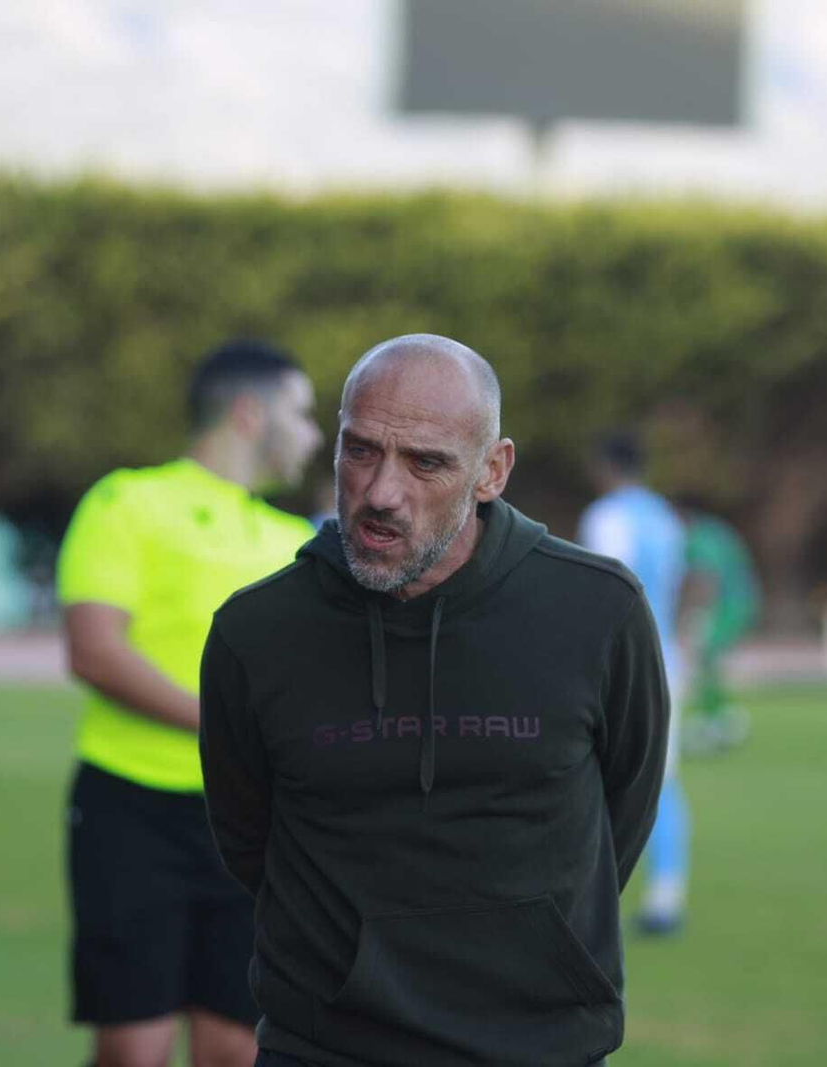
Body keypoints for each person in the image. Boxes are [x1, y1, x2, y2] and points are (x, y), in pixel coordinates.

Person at [200, 335, 670, 1067]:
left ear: (493, 470)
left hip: (541, 1050)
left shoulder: (597, 611)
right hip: (323, 1049)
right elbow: (247, 837)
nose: (383, 492)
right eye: (360, 451)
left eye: (426, 462)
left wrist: (538, 939)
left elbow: (623, 814)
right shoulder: (256, 632)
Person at [57, 340, 322, 1067]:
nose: (315, 434)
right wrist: (228, 729)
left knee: (238, 1048)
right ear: (249, 413)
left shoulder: (296, 541)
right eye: (301, 412)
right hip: (131, 809)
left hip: (251, 825)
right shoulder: (127, 501)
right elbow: (94, 650)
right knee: (132, 1048)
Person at [578, 432, 688, 935]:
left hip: (619, 660)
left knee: (594, 775)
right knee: (661, 777)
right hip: (667, 655)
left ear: (607, 466)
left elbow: (602, 587)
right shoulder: (666, 519)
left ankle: (593, 895)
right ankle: (666, 893)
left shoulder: (608, 517)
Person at [678, 500, 761, 755]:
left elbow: (707, 577)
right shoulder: (713, 530)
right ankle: (719, 716)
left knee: (706, 656)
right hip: (740, 599)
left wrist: (697, 613)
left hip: (730, 604)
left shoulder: (699, 537)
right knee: (708, 661)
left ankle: (717, 720)